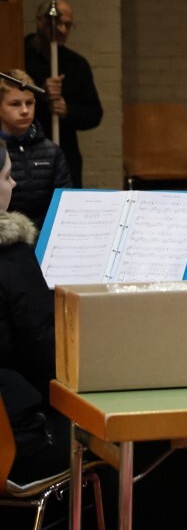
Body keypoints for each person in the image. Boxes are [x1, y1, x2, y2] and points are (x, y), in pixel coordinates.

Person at [0, 141, 72, 485]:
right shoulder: (11, 259)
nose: (14, 184)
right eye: (7, 176)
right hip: (17, 445)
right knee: (119, 438)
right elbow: (48, 357)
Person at [23, 0, 104, 188]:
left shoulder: (76, 64)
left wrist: (67, 111)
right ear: (40, 21)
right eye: (57, 23)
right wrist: (40, 94)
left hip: (65, 155)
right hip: (26, 152)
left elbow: (94, 114)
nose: (62, 30)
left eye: (68, 25)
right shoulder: (19, 55)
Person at [0, 70, 72, 230]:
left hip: (46, 234)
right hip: (7, 236)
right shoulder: (1, 153)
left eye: (29, 103)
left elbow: (65, 203)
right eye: (15, 104)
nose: (25, 110)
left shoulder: (52, 152)